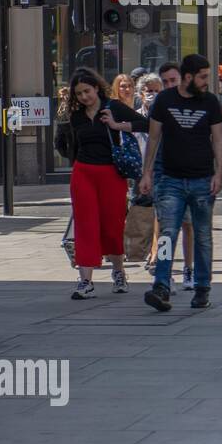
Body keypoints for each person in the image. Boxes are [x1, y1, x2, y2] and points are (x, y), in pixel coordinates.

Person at [140, 54, 222, 312]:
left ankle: (202, 288)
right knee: (167, 234)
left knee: (203, 235)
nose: (206, 82)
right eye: (202, 77)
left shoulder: (210, 102)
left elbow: (219, 139)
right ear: (187, 77)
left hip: (202, 178)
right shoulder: (164, 100)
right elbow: (153, 139)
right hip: (170, 179)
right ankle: (162, 285)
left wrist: (219, 172)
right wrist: (147, 173)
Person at [56, 68, 149, 299]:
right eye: (79, 94)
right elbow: (67, 146)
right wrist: (62, 120)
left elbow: (145, 124)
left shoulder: (113, 107)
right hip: (83, 172)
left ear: (96, 87)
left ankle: (118, 272)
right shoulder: (76, 116)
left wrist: (117, 126)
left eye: (87, 91)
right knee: (85, 226)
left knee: (112, 225)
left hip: (111, 173)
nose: (84, 97)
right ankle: (85, 281)